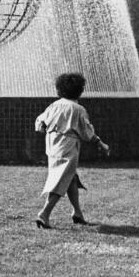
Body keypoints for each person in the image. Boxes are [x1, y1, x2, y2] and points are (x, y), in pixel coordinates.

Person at [34, 72, 110, 229]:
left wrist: (44, 127)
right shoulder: (78, 109)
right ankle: (44, 214)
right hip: (68, 147)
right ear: (79, 90)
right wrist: (101, 143)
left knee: (70, 178)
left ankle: (77, 213)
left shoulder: (54, 105)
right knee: (61, 180)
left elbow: (40, 121)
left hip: (52, 145)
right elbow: (87, 132)